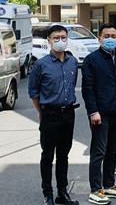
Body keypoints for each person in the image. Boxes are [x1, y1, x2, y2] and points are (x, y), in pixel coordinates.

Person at [28, 24, 80, 205]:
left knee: (63, 155)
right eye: (56, 38)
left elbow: (71, 85)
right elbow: (33, 93)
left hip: (68, 113)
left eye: (63, 38)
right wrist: (41, 112)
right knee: (48, 155)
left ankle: (62, 193)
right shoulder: (41, 65)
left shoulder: (72, 62)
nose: (60, 41)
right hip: (49, 114)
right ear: (49, 41)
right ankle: (47, 194)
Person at [82, 24, 116, 204]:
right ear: (99, 39)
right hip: (100, 114)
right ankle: (95, 189)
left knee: (113, 150)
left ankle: (109, 185)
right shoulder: (92, 60)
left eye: (113, 36)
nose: (110, 39)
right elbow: (88, 88)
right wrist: (93, 111)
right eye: (106, 36)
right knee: (98, 152)